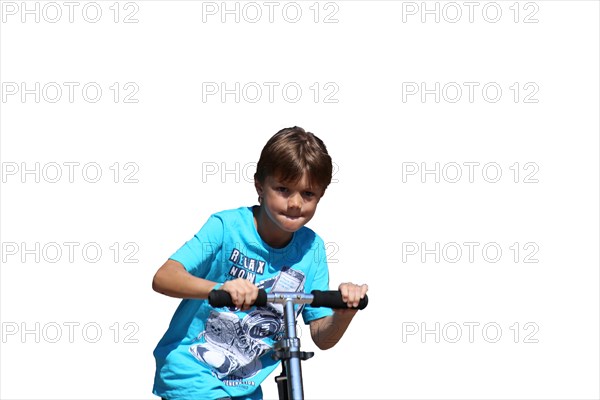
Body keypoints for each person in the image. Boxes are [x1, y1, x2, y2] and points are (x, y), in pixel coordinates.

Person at [151, 126, 368, 400]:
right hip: (193, 376)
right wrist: (220, 287)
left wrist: (344, 313)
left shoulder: (312, 250)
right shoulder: (226, 227)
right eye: (283, 189)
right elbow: (164, 277)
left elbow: (322, 337)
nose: (295, 203)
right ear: (260, 186)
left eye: (308, 194)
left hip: (246, 388)